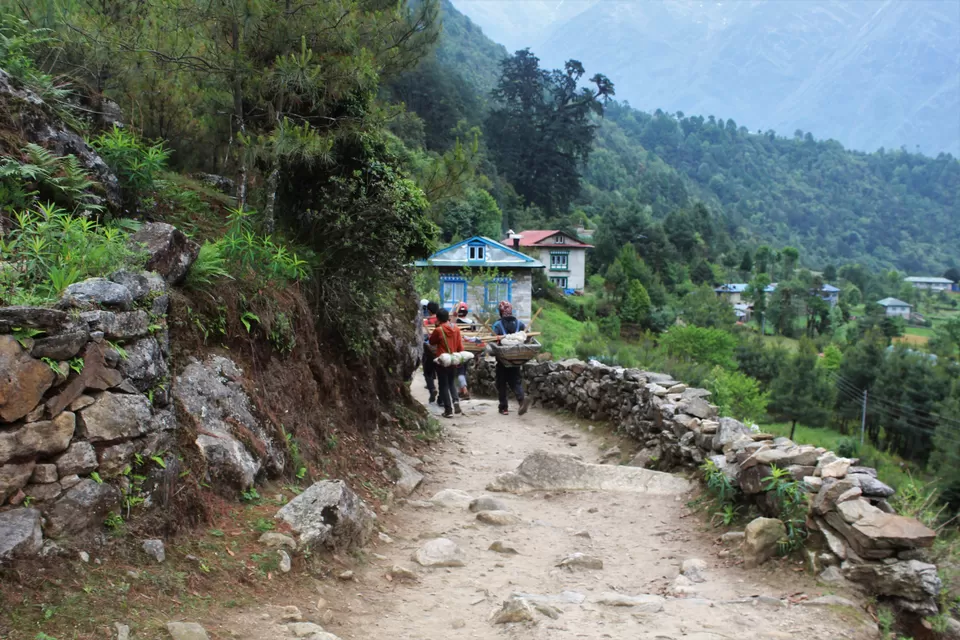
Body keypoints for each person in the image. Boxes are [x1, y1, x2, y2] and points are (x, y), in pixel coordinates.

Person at [492, 300, 530, 416]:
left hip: (502, 360)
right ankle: (521, 400)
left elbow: (493, 340)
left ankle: (504, 408)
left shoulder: (497, 325)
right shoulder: (520, 324)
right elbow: (527, 339)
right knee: (515, 381)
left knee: (501, 383)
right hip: (517, 359)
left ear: (500, 311)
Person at [429, 308, 463, 418]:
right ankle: (456, 401)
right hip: (453, 359)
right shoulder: (456, 329)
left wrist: (436, 327)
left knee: (443, 385)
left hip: (442, 360)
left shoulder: (439, 330)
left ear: (438, 318)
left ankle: (448, 410)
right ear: (447, 317)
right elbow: (460, 346)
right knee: (451, 382)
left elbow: (431, 342)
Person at [453, 302, 474, 399]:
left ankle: (464, 390)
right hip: (470, 349)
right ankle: (462, 391)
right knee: (463, 370)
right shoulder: (472, 322)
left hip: (459, 350)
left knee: (460, 371)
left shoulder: (455, 322)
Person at [422, 301, 439, 403]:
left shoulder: (426, 322)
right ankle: (441, 398)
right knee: (441, 373)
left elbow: (423, 336)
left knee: (427, 372)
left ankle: (432, 389)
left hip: (429, 350)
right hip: (441, 349)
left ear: (428, 310)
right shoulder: (442, 319)